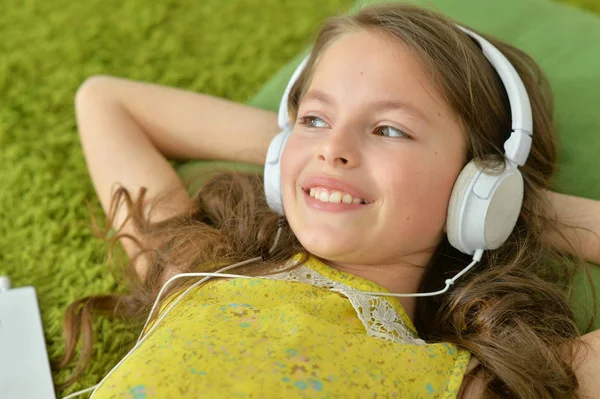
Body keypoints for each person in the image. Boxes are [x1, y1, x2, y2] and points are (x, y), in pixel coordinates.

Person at [54, 2, 600, 398]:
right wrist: (290, 147)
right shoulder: (198, 273)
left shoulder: (474, 384)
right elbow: (105, 100)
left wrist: (518, 207)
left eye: (388, 129)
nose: (333, 149)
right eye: (315, 118)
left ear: (475, 186)